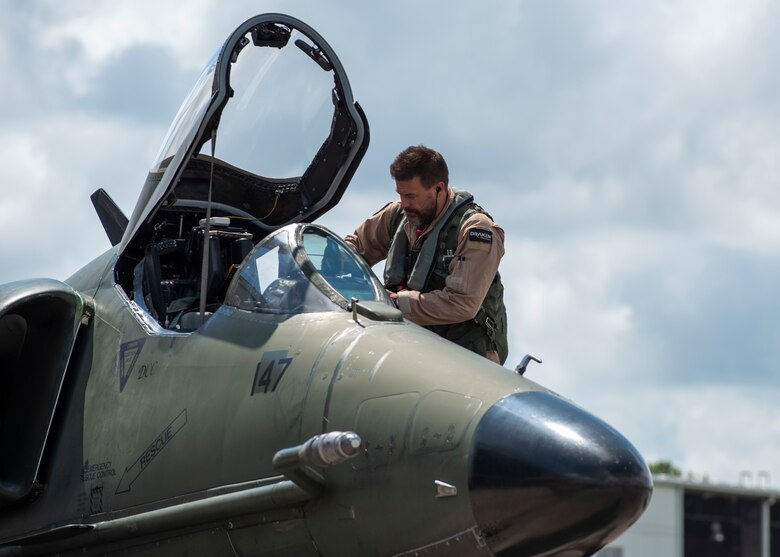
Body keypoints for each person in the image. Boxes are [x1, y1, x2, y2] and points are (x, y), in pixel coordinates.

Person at [345, 145, 508, 364]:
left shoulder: (476, 231)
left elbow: (462, 304)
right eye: (401, 195)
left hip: (467, 357)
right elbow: (354, 248)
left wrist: (394, 303)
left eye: (411, 196)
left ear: (439, 189)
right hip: (411, 346)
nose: (405, 204)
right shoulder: (398, 215)